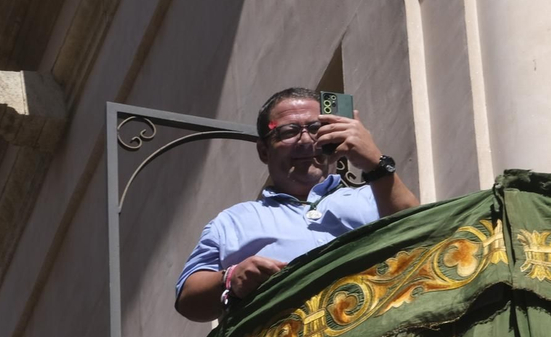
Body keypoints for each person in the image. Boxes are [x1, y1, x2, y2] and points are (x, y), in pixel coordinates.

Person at [175, 87, 420, 322]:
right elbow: (188, 300)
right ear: (263, 151)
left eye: (316, 128)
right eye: (289, 131)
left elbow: (421, 238)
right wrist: (230, 278)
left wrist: (375, 164)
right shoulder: (232, 221)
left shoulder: (374, 196)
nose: (305, 140)